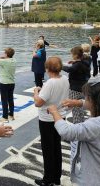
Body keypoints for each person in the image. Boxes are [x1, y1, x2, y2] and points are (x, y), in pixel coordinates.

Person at [48, 82, 100, 186]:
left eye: (86, 97)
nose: (84, 99)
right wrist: (78, 103)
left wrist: (54, 112)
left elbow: (66, 132)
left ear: (93, 102)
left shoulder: (94, 125)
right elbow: (93, 103)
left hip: (96, 180)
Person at [33, 56, 69, 186]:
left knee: (48, 150)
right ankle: (56, 177)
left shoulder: (50, 83)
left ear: (47, 68)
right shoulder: (65, 78)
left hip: (47, 119)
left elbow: (38, 103)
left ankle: (48, 179)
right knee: (56, 147)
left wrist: (36, 91)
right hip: (60, 116)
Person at [63, 46, 90, 123]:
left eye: (72, 54)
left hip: (75, 89)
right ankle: (81, 122)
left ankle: (77, 126)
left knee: (75, 109)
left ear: (75, 55)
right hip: (83, 88)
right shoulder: (85, 63)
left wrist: (61, 66)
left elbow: (69, 69)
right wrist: (74, 62)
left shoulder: (77, 65)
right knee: (80, 107)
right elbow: (79, 65)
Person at [0, 48, 16, 122]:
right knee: (10, 99)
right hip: (12, 83)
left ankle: (5, 117)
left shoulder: (3, 61)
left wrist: (0, 57)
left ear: (6, 54)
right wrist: (4, 57)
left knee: (4, 100)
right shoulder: (14, 60)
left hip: (4, 83)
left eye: (4, 53)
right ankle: (11, 115)